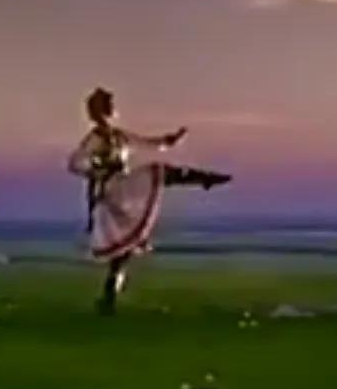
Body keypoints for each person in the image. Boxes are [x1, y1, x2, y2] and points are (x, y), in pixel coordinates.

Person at [68, 88, 230, 315]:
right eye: (109, 104)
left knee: (123, 253)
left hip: (122, 187)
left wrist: (167, 141)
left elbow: (144, 143)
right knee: (156, 173)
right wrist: (99, 166)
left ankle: (108, 300)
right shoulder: (96, 138)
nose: (113, 108)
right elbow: (76, 164)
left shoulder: (118, 135)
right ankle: (204, 179)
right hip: (112, 191)